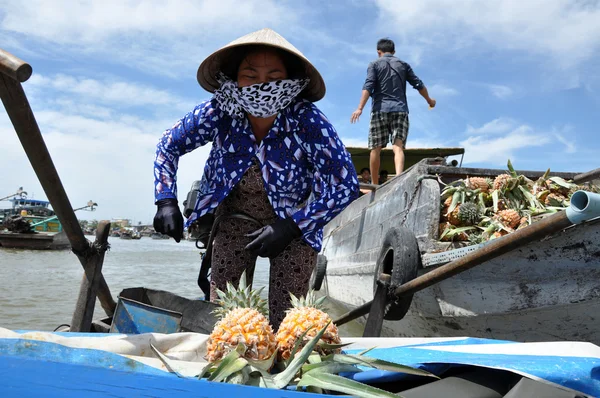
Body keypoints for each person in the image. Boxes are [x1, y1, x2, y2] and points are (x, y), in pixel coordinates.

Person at [152, 28, 359, 329]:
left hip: (294, 226)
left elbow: (345, 184)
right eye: (250, 75)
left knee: (289, 322)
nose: (263, 85)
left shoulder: (307, 120)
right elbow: (168, 145)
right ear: (235, 78)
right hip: (235, 219)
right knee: (226, 318)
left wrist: (291, 226)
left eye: (274, 77)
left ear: (290, 81)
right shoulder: (219, 111)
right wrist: (165, 199)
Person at [350, 38, 436, 184]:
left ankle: (374, 184)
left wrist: (360, 108)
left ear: (379, 52)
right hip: (400, 109)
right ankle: (398, 180)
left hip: (379, 109)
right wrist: (429, 100)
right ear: (394, 52)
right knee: (398, 146)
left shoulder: (374, 64)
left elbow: (368, 86)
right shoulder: (403, 65)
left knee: (375, 148)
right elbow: (418, 84)